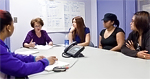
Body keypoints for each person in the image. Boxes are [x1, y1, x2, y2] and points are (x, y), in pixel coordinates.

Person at [0, 10, 58, 78]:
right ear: (8, 27)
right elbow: (22, 69)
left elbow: (12, 55)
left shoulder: (2, 46)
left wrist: (33, 58)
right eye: (13, 24)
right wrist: (46, 62)